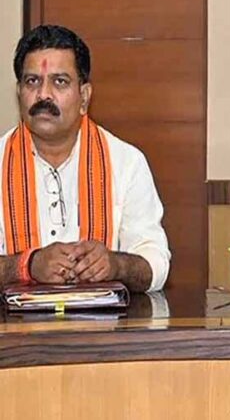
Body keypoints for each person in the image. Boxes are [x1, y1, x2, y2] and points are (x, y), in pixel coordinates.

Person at [0, 24, 170, 292]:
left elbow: (156, 265)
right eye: (32, 81)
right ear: (19, 92)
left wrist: (115, 265)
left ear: (84, 97)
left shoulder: (126, 163)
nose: (43, 94)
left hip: (104, 320)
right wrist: (27, 265)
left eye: (60, 81)